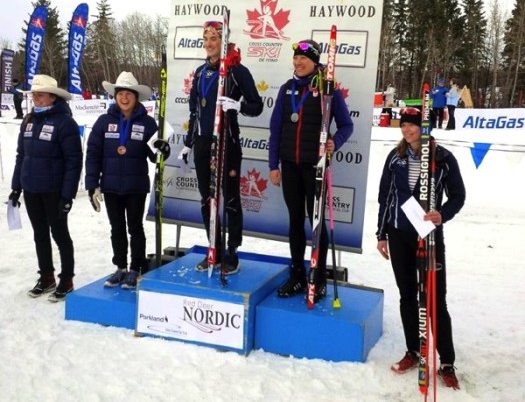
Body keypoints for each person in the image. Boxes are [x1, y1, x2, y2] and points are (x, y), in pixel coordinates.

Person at [376, 107, 466, 390]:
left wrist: (443, 213)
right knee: (407, 295)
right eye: (403, 126)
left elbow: (458, 196)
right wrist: (381, 234)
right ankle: (413, 351)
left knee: (436, 299)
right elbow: (385, 196)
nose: (407, 130)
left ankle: (447, 362)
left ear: (424, 128)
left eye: (412, 126)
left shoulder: (443, 158)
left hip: (428, 236)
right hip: (398, 233)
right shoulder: (395, 157)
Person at [268, 40, 353, 301]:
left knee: (316, 224)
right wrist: (273, 165)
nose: (298, 63)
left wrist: (334, 142)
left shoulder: (328, 90)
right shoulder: (286, 89)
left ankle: (317, 276)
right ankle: (296, 275)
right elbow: (276, 129)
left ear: (315, 61)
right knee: (295, 220)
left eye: (303, 58)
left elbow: (347, 126)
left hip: (315, 167)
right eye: (295, 58)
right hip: (290, 166)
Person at [178, 20, 263, 274]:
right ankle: (213, 247)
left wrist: (238, 106)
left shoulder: (236, 70)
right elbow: (194, 111)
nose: (209, 43)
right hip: (204, 142)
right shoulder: (200, 72)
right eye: (205, 39)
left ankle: (232, 252)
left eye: (214, 38)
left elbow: (256, 105)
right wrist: (187, 144)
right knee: (207, 198)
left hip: (227, 141)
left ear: (223, 41)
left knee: (230, 199)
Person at [85, 72, 171, 289]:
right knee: (117, 228)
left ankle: (136, 268)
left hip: (136, 186)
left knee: (135, 228)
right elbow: (93, 154)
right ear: (115, 96)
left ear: (136, 97)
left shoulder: (148, 123)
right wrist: (92, 184)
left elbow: (155, 156)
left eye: (128, 94)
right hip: (111, 186)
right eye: (120, 94)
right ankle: (120, 267)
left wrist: (164, 149)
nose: (124, 98)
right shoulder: (103, 122)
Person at [9, 74, 82, 302]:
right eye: (34, 95)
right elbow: (22, 155)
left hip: (54, 190)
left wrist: (67, 195)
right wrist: (16, 187)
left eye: (40, 94)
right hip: (32, 188)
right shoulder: (29, 120)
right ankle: (47, 276)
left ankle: (67, 279)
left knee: (60, 235)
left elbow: (74, 161)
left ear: (53, 97)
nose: (36, 98)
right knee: (40, 235)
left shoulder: (65, 122)